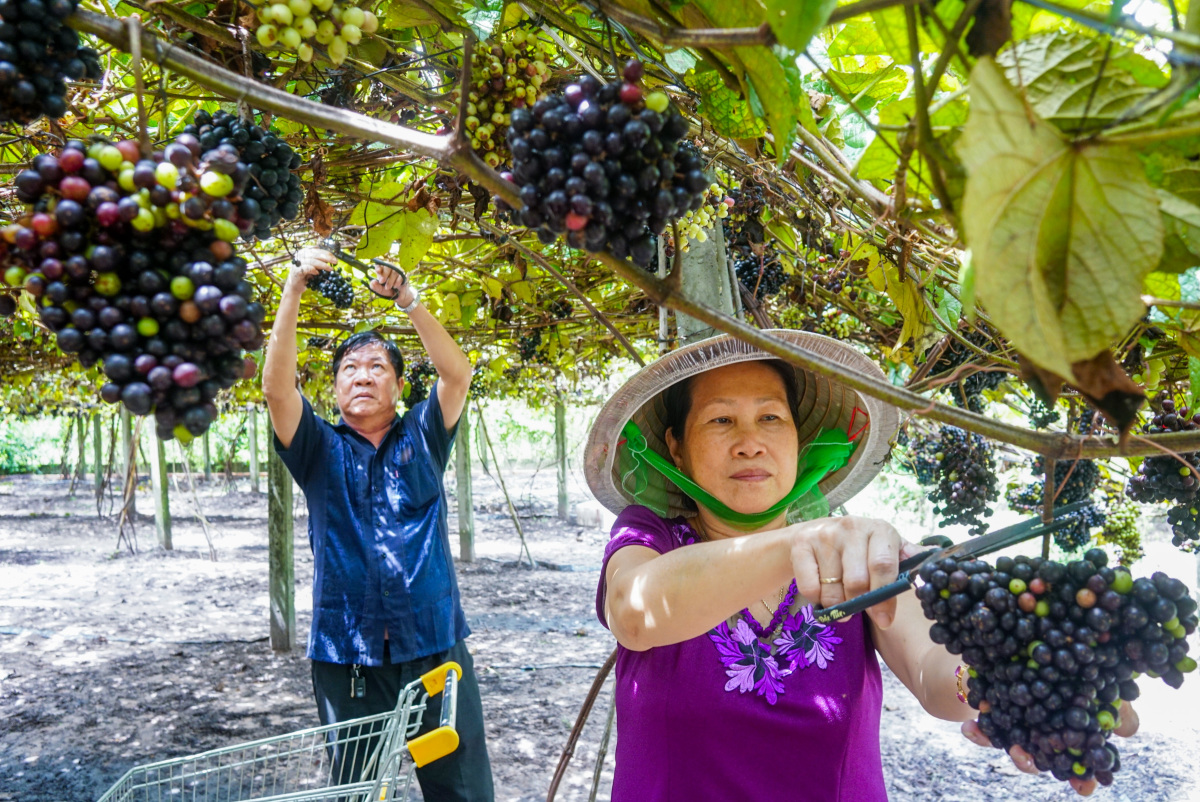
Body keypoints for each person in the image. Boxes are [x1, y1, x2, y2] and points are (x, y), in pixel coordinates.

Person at [583, 330, 1139, 800]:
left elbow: (933, 672)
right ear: (676, 448)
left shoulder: (858, 556)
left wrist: (1006, 683)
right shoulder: (649, 535)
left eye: (771, 418)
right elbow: (636, 612)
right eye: (721, 421)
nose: (750, 443)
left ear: (800, 440)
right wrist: (806, 541)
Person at [263, 246, 493, 801]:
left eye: (377, 368)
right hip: (349, 657)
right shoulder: (317, 448)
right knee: (359, 793)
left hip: (434, 648)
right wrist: (293, 286)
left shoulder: (423, 435)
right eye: (349, 369)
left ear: (397, 387)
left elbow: (457, 373)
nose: (362, 377)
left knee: (458, 789)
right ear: (335, 389)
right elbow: (275, 388)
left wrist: (408, 300)